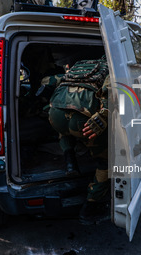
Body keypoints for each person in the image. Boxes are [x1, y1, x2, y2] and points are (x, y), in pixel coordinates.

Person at [41, 56, 110, 224]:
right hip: (84, 119)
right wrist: (104, 115)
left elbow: (47, 81)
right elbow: (114, 90)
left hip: (55, 114)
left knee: (64, 130)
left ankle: (70, 160)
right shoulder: (110, 68)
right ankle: (90, 208)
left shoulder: (77, 67)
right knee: (106, 163)